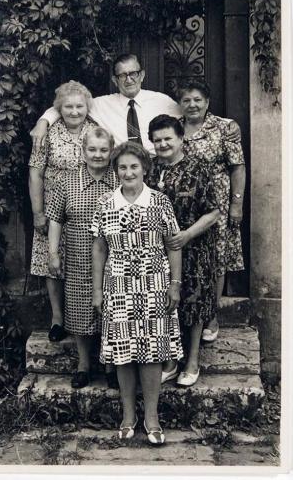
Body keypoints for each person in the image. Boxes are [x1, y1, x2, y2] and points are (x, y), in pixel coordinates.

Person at [91, 142, 183, 445]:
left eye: (134, 166)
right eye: (122, 167)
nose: (128, 172)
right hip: (117, 284)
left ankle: (152, 417)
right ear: (115, 171)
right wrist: (97, 291)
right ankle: (128, 415)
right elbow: (100, 247)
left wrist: (175, 284)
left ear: (145, 168)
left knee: (152, 352)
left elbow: (173, 245)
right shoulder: (106, 203)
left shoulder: (160, 201)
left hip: (154, 283)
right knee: (123, 352)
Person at [147, 115, 220, 387]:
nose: (163, 144)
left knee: (193, 303)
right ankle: (169, 361)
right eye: (157, 139)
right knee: (163, 304)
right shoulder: (149, 168)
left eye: (168, 138)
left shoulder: (199, 168)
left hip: (194, 247)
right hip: (157, 249)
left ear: (180, 139)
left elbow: (213, 211)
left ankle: (192, 361)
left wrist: (187, 235)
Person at [46, 127, 119, 388]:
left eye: (103, 150)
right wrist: (53, 253)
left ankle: (112, 366)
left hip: (113, 256)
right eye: (92, 149)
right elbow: (55, 218)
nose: (97, 155)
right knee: (78, 309)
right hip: (77, 254)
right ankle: (84, 365)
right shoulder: (67, 181)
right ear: (82, 151)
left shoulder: (119, 179)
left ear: (111, 152)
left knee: (112, 308)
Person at [177, 79, 246, 342]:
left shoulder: (224, 128)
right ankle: (188, 313)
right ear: (180, 103)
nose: (192, 104)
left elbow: (238, 166)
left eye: (197, 100)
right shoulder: (175, 127)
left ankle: (211, 316)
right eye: (186, 100)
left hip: (216, 201)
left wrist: (236, 204)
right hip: (185, 204)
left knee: (216, 259)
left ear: (207, 102)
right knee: (189, 257)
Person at [28, 80, 97, 342]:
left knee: (84, 263)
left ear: (87, 107)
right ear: (59, 108)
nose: (74, 111)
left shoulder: (96, 131)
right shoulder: (47, 133)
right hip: (52, 209)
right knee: (52, 264)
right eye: (68, 106)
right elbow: (35, 174)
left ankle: (88, 317)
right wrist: (38, 213)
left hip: (84, 207)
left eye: (79, 106)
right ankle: (58, 318)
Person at [29, 53, 181, 156]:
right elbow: (66, 105)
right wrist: (43, 122)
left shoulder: (162, 101)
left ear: (142, 75)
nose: (129, 80)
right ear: (115, 81)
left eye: (133, 74)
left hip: (155, 165)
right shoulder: (102, 104)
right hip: (121, 170)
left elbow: (189, 119)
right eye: (122, 75)